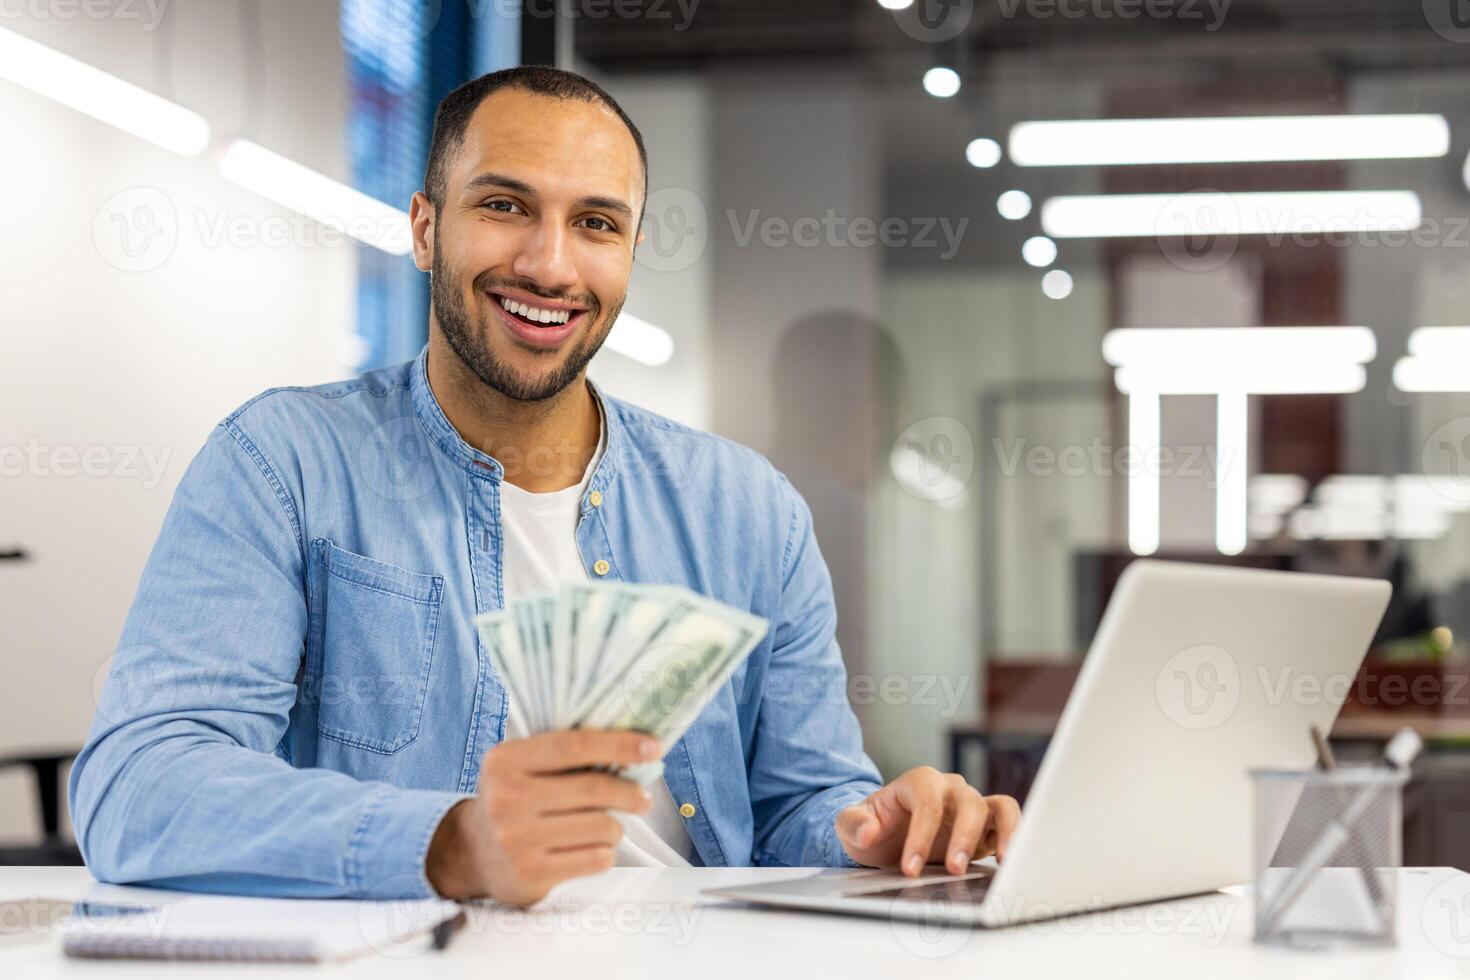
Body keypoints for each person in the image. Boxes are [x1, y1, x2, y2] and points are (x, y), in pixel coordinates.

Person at [70, 66, 1019, 907]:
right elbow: (140, 786)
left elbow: (801, 801)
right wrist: (447, 843)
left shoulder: (749, 511)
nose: (550, 264)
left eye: (596, 223)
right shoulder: (282, 463)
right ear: (424, 227)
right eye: (504, 206)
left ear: (631, 253)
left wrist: (869, 829)